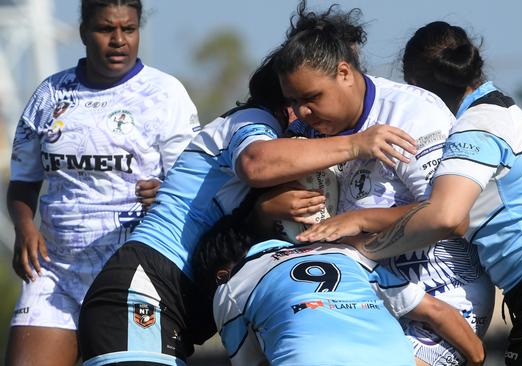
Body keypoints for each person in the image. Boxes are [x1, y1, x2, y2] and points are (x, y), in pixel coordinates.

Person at [303, 21, 522, 366]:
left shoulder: (477, 126)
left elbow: (446, 217)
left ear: (418, 87)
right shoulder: (502, 109)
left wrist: (359, 239)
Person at [77, 46, 417, 364]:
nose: (306, 114)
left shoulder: (279, 152)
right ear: (283, 103)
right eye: (297, 102)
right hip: (148, 285)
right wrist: (357, 144)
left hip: (177, 303)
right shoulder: (251, 120)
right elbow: (255, 163)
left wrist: (264, 213)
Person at [272, 3, 494, 365]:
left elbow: (450, 218)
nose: (303, 112)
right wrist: (270, 205)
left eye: (311, 98)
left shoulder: (411, 114)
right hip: (367, 294)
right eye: (294, 101)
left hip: (443, 298)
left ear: (344, 73)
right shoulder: (306, 131)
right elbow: (259, 169)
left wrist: (360, 221)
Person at [4, 1, 201, 365]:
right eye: (105, 29)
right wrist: (24, 226)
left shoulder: (165, 93)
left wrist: (165, 193)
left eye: (128, 29)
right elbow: (22, 181)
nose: (118, 40)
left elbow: (194, 186)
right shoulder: (49, 94)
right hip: (54, 273)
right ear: (83, 32)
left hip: (131, 272)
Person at [192, 190, 485, 366]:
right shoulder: (345, 256)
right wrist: (475, 359)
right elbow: (436, 311)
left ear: (220, 275)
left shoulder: (230, 288)